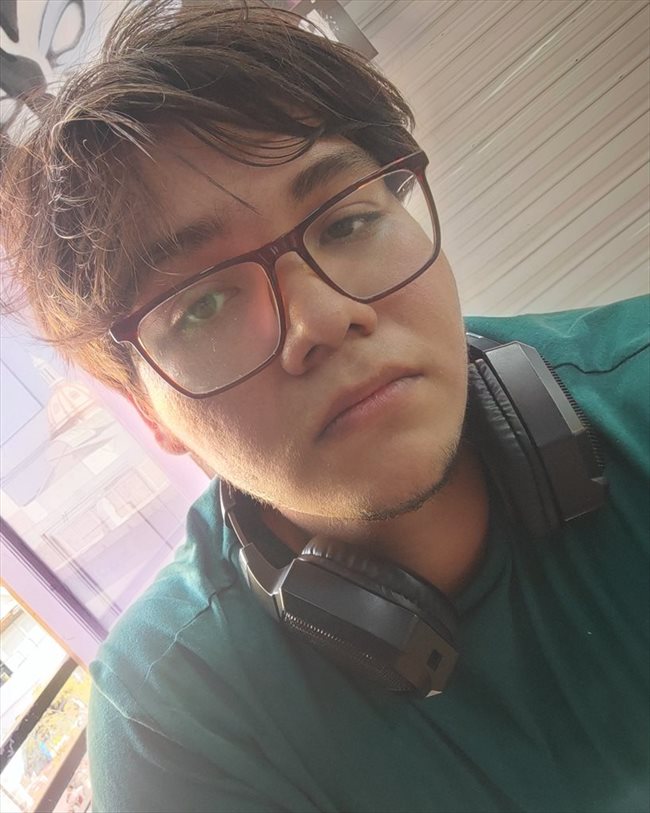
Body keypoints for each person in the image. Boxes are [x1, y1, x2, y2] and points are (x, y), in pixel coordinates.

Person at [1, 2, 648, 811]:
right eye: (203, 304)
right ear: (151, 412)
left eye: (347, 220)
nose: (323, 318)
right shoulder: (180, 723)